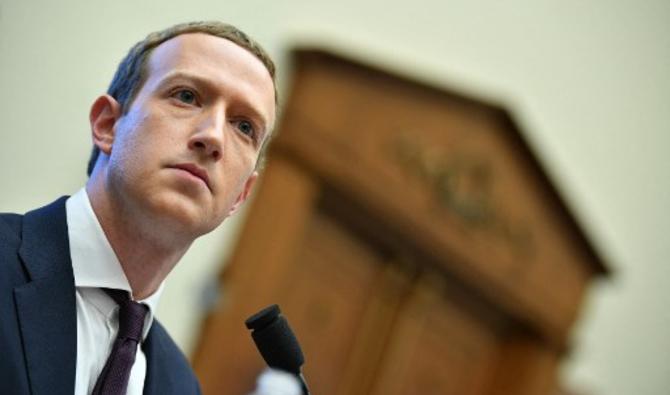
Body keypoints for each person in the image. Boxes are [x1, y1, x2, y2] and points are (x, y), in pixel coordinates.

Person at [0, 21, 277, 395]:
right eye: (187, 96)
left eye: (244, 126)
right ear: (108, 124)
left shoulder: (181, 386)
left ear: (241, 195)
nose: (213, 137)